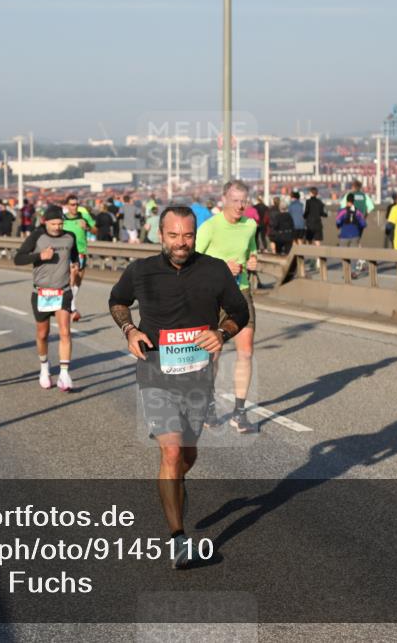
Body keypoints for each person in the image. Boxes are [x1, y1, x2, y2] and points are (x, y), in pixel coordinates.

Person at [108, 205, 249, 569]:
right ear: (160, 234)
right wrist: (130, 330)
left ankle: (175, 485)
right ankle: (178, 540)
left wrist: (222, 333)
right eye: (174, 236)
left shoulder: (214, 270)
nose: (181, 243)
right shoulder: (141, 271)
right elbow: (118, 301)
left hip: (198, 379)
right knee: (171, 453)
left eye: (187, 235)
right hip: (155, 374)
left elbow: (239, 311)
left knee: (187, 456)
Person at [195, 180, 259, 434]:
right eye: (235, 200)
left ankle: (239, 413)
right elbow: (193, 263)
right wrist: (221, 268)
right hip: (213, 297)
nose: (240, 206)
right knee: (214, 353)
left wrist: (254, 260)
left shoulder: (250, 225)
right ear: (224, 200)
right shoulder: (210, 227)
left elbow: (252, 251)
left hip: (241, 293)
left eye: (244, 200)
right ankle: (209, 404)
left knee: (246, 351)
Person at [14, 205, 79, 391]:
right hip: (41, 293)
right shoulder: (37, 236)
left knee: (65, 331)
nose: (57, 227)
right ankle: (44, 368)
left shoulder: (70, 237)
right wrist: (40, 256)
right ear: (45, 222)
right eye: (53, 224)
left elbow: (74, 258)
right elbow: (18, 259)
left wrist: (76, 267)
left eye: (60, 223)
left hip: (63, 291)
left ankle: (65, 374)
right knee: (43, 334)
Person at [62, 194, 96, 321]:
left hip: (82, 251)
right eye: (72, 204)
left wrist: (87, 227)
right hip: (69, 252)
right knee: (73, 274)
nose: (75, 207)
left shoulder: (84, 216)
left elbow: (95, 230)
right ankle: (72, 307)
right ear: (67, 206)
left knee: (79, 279)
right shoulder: (63, 219)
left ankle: (71, 304)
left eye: (76, 204)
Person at [336, 195, 367, 278]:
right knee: (354, 254)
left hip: (344, 235)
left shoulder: (342, 211)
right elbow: (363, 223)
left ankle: (346, 273)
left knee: (344, 255)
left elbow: (338, 221)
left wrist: (341, 226)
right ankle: (353, 272)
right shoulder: (358, 212)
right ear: (354, 201)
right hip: (355, 235)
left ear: (347, 201)